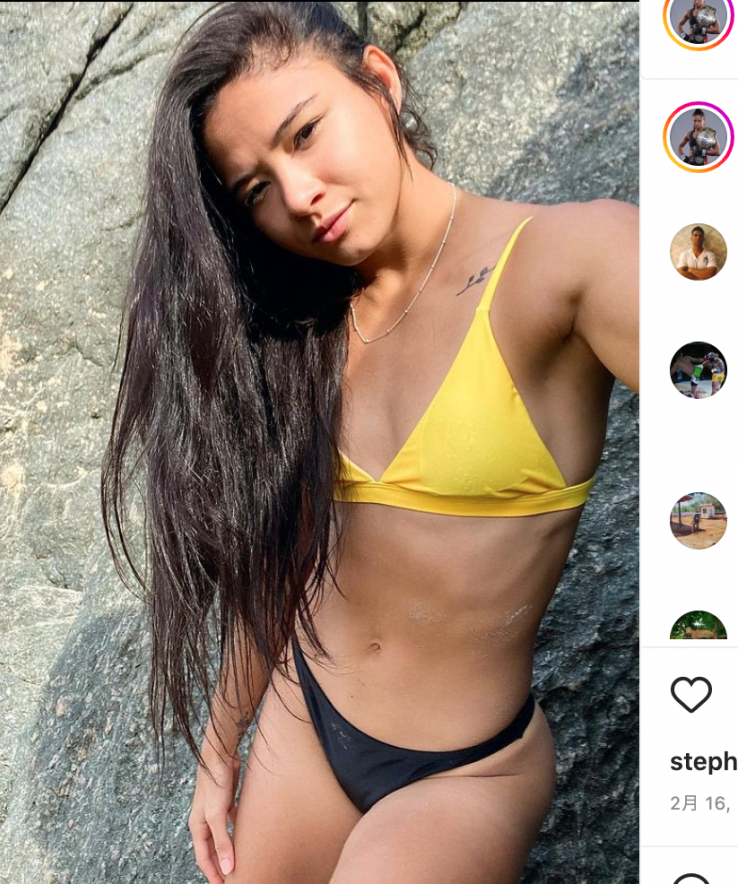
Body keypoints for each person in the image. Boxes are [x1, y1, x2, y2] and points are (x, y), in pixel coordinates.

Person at [100, 4, 639, 883]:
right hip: (305, 721)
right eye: (257, 189)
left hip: (467, 772)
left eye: (305, 133)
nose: (298, 195)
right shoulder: (304, 329)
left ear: (379, 82)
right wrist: (220, 744)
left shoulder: (567, 258)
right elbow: (288, 556)